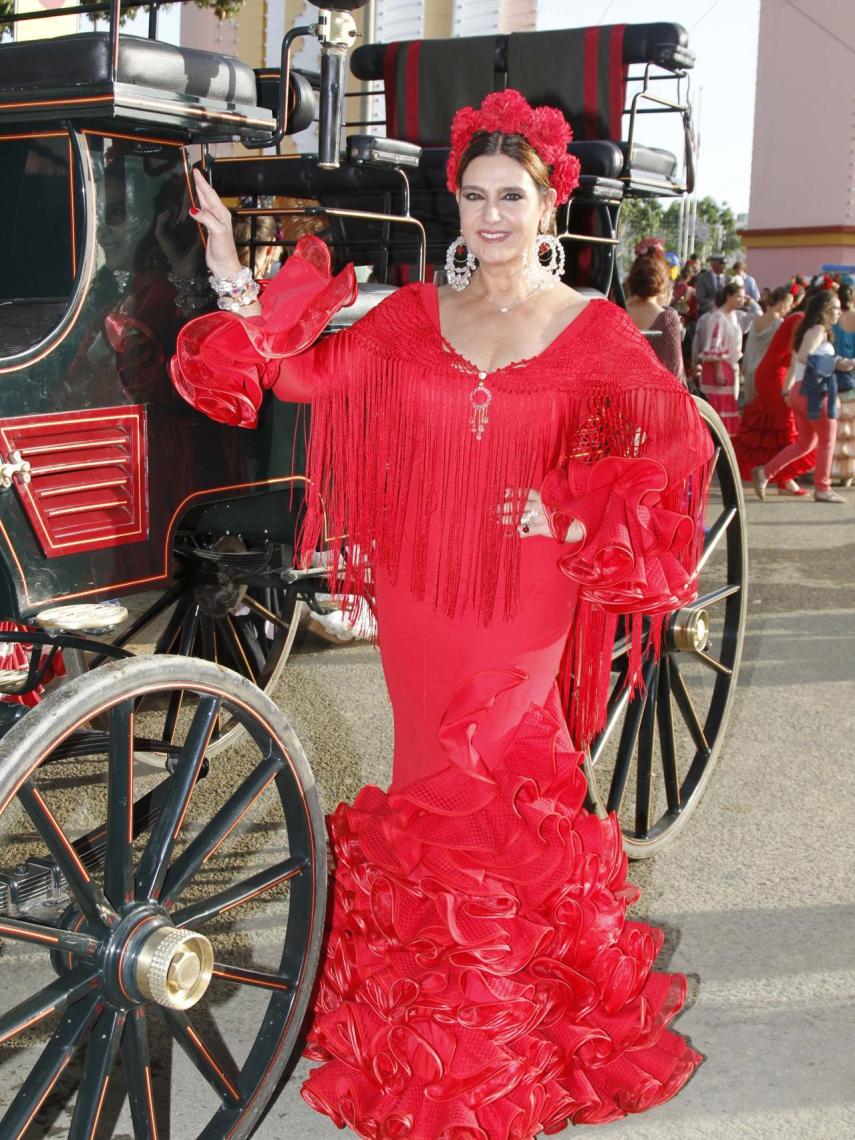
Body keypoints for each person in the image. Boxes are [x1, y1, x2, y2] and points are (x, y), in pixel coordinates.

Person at [173, 89, 711, 1137]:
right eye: (475, 196)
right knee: (430, 776)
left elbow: (677, 442)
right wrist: (234, 264)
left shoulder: (591, 329)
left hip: (523, 596)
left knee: (499, 775)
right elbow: (294, 376)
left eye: (513, 196)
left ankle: (504, 1052)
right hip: (422, 593)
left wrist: (565, 504)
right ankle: (439, 1039)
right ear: (455, 205)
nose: (493, 216)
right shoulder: (413, 316)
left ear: (552, 206)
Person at [753, 289, 854, 503]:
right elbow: (805, 356)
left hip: (802, 391)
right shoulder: (818, 329)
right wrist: (836, 362)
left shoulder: (810, 329)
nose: (839, 312)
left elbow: (796, 361)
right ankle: (822, 487)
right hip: (815, 392)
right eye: (835, 308)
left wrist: (789, 390)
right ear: (825, 309)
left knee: (805, 443)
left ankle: (766, 473)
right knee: (826, 440)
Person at [733, 288, 813, 494]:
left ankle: (781, 477)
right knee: (785, 424)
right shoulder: (793, 321)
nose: (790, 305)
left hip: (763, 371)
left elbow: (752, 349)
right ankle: (783, 478)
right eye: (788, 302)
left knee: (774, 425)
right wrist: (788, 388)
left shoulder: (768, 320)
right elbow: (795, 357)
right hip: (775, 374)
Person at [625, 241, 686, 381]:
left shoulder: (617, 313)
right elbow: (674, 374)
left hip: (619, 399)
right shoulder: (667, 319)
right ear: (663, 281)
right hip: (653, 399)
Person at [692, 281, 745, 435]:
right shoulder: (717, 317)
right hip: (718, 369)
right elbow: (713, 346)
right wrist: (719, 370)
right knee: (717, 408)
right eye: (739, 297)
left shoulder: (733, 316)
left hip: (730, 367)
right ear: (729, 296)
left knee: (728, 406)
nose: (741, 301)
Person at [741, 284, 793, 403]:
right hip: (766, 370)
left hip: (750, 367)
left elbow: (749, 346)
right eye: (789, 304)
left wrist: (745, 366)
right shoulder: (779, 323)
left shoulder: (757, 320)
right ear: (782, 302)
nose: (789, 308)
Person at [831, 279, 855, 485]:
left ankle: (833, 469)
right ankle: (848, 473)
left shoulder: (833, 320)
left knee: (837, 427)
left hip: (833, 373)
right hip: (851, 374)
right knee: (851, 429)